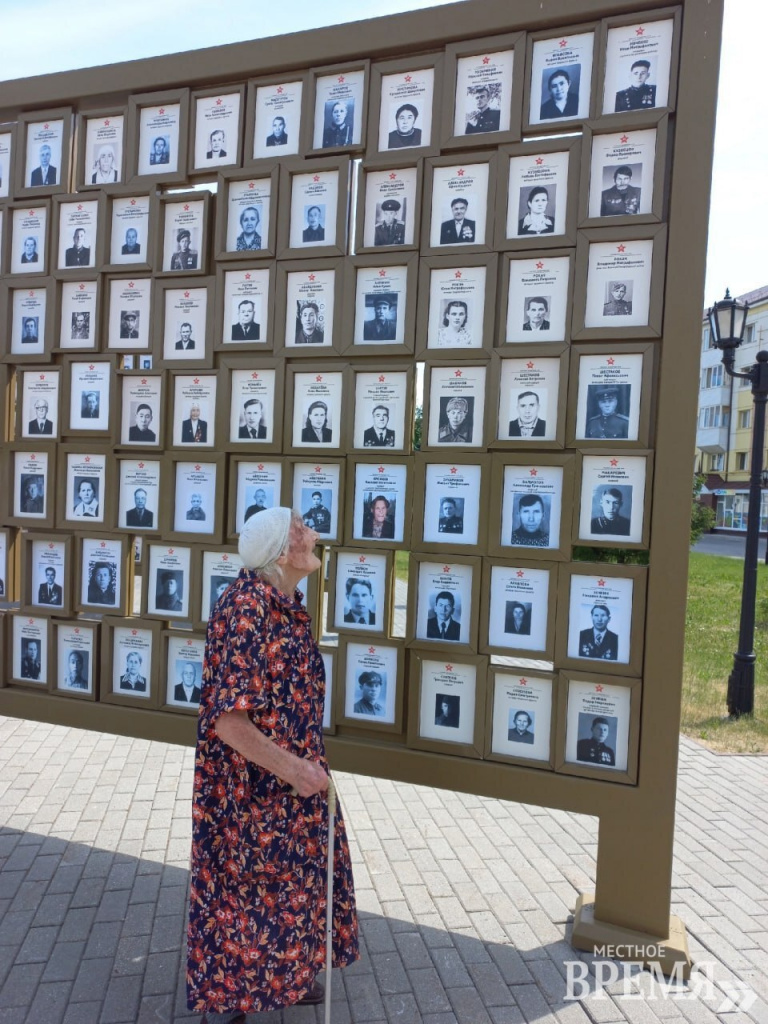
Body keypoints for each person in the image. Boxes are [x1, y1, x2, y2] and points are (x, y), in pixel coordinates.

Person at [186, 507, 359, 1019]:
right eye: (304, 529)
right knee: (245, 894)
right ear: (285, 552)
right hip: (249, 790)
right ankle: (231, 998)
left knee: (294, 886)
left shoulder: (283, 601)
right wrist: (296, 770)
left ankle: (284, 975)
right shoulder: (244, 610)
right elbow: (229, 724)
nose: (315, 534)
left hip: (289, 783)